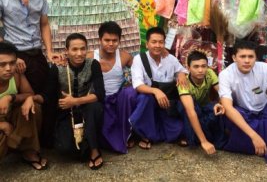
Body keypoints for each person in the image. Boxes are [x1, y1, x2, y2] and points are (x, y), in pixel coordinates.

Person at [0, 0, 62, 146]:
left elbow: (44, 24)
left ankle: (45, 140)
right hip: (17, 56)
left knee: (47, 94)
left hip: (37, 54)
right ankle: (26, 145)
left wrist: (50, 51)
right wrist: (12, 57)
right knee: (27, 98)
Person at [22, 33, 105, 170]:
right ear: (66, 51)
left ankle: (94, 150)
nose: (79, 53)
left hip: (87, 109)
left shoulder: (93, 64)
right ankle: (83, 146)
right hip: (67, 112)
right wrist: (31, 98)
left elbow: (100, 94)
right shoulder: (58, 67)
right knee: (65, 149)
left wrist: (76, 101)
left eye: (83, 49)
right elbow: (46, 95)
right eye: (74, 49)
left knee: (94, 106)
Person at [130, 27, 187, 149]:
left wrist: (181, 75)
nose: (157, 45)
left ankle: (167, 132)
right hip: (149, 101)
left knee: (178, 129)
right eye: (154, 42)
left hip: (165, 103)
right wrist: (155, 91)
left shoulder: (170, 59)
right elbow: (138, 84)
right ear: (147, 44)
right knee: (145, 99)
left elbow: (181, 70)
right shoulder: (139, 59)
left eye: (161, 42)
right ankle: (145, 135)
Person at [88, 21, 137, 153]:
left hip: (118, 100)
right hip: (99, 99)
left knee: (131, 93)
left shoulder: (124, 56)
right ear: (100, 40)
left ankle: (128, 134)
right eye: (107, 40)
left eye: (114, 40)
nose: (110, 44)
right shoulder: (90, 56)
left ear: (119, 41)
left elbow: (140, 69)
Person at [0, 41, 46, 170]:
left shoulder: (16, 75)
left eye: (12, 63)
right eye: (2, 64)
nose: (8, 68)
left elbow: (29, 93)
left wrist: (10, 97)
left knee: (33, 107)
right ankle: (12, 144)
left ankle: (28, 151)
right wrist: (2, 125)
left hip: (11, 113)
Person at [177, 50, 227, 154]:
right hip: (189, 109)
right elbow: (191, 112)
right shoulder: (184, 83)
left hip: (204, 106)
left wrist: (220, 103)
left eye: (204, 66)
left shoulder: (209, 73)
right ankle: (197, 138)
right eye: (196, 67)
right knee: (194, 110)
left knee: (217, 108)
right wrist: (204, 142)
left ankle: (206, 137)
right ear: (188, 68)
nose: (200, 70)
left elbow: (222, 93)